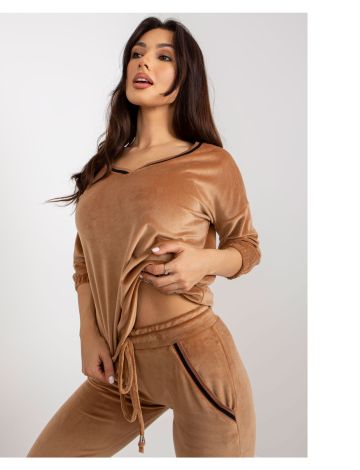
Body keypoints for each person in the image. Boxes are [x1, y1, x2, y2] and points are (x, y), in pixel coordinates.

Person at [27, 16, 262, 458]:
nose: (144, 62)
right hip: (120, 366)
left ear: (185, 76)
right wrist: (89, 334)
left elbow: (246, 248)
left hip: (195, 358)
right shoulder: (102, 168)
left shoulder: (211, 163)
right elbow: (84, 263)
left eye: (162, 56)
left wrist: (203, 261)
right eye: (137, 53)